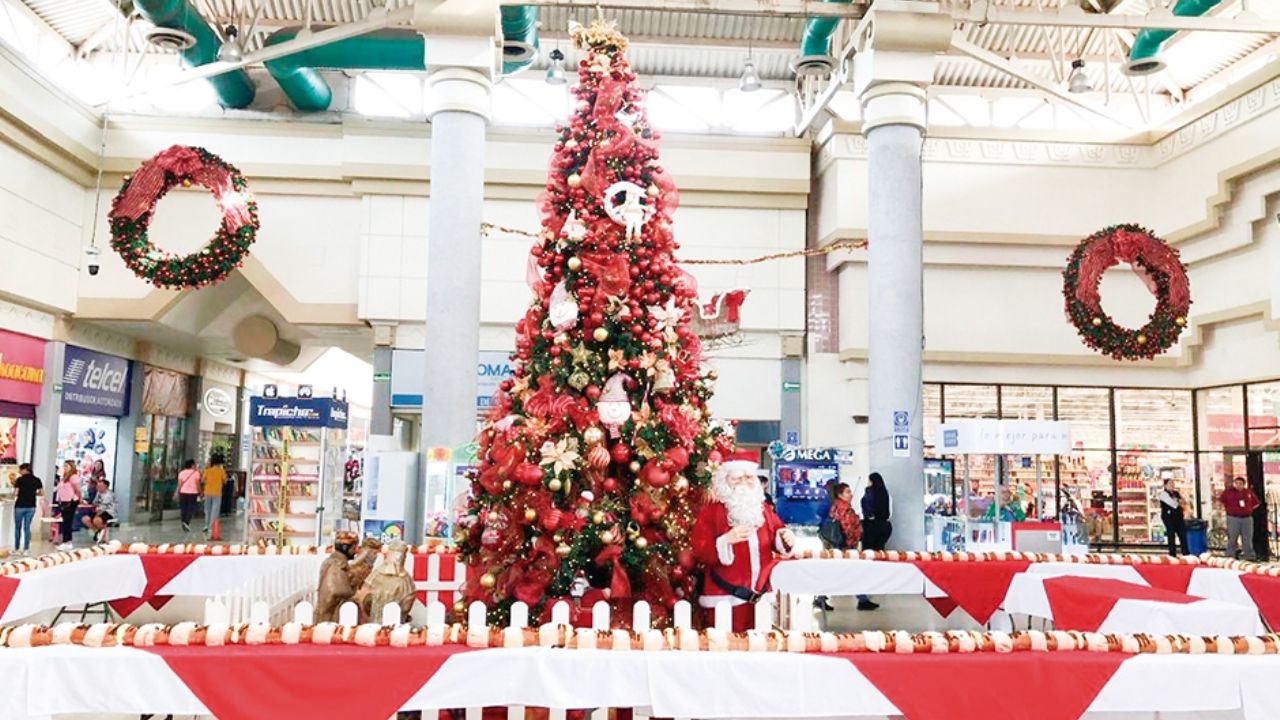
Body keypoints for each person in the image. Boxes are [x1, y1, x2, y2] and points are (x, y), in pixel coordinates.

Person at [692, 449, 795, 632]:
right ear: (725, 482)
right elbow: (700, 549)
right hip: (724, 597)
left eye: (748, 478)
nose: (743, 483)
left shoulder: (763, 509)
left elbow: (778, 533)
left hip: (761, 597)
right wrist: (724, 541)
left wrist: (785, 537)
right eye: (736, 478)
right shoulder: (711, 512)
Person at [815, 482, 876, 612]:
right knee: (852, 572)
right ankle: (861, 599)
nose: (851, 494)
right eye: (847, 492)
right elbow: (848, 528)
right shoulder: (845, 508)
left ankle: (861, 599)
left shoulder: (835, 506)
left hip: (837, 545)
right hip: (845, 546)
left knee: (840, 572)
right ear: (840, 494)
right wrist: (853, 543)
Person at [316, 531, 362, 622]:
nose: (355, 551)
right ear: (346, 548)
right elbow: (336, 590)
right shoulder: (337, 565)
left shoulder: (333, 562)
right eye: (354, 547)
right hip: (332, 615)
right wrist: (355, 595)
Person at [1219, 476, 1260, 560]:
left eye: (1240, 484)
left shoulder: (1248, 492)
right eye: (1236, 483)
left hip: (1247, 519)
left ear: (1244, 485)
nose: (1238, 485)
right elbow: (1221, 501)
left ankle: (1249, 556)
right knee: (1233, 537)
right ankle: (1230, 556)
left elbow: (1256, 503)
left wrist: (1248, 509)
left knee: (1247, 538)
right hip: (1233, 518)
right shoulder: (1228, 492)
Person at [10, 463, 42, 554]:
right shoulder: (37, 480)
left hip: (20, 506)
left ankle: (16, 548)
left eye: (20, 470)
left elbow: (16, 493)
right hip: (31, 506)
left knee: (17, 527)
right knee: (27, 527)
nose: (19, 472)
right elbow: (41, 493)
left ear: (25, 470)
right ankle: (26, 549)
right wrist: (32, 494)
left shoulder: (19, 480)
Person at [861, 472, 892, 552]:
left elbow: (866, 509)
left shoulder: (869, 492)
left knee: (868, 552)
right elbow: (889, 512)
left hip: (870, 527)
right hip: (884, 526)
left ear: (871, 482)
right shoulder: (885, 493)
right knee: (879, 551)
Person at [1158, 477, 1189, 557]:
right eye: (1170, 483)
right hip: (1169, 518)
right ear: (1165, 485)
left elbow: (1184, 502)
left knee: (1182, 534)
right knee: (1171, 535)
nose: (1172, 485)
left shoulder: (1176, 493)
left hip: (1178, 517)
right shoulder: (1163, 494)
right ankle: (1172, 554)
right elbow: (1173, 504)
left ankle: (1186, 553)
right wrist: (1178, 501)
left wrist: (1178, 501)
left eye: (1173, 483)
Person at [54, 461, 81, 550]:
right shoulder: (64, 478)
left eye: (66, 466)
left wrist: (79, 499)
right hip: (63, 501)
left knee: (68, 522)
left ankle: (68, 541)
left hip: (71, 501)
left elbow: (77, 489)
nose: (64, 468)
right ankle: (66, 541)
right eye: (64, 466)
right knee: (65, 521)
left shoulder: (73, 477)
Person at [81, 478, 117, 543]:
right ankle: (97, 532)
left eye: (100, 486)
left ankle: (103, 534)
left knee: (96, 520)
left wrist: (96, 513)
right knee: (85, 519)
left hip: (108, 512)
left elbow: (102, 508)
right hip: (98, 510)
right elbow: (94, 502)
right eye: (97, 486)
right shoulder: (98, 493)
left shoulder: (109, 495)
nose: (98, 488)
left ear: (105, 487)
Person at [202, 453, 227, 537]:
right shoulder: (221, 471)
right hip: (217, 492)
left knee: (207, 509)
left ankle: (206, 525)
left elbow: (203, 480)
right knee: (214, 511)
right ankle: (211, 527)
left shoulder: (207, 470)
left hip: (207, 492)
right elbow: (225, 481)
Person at [175, 459, 201, 532]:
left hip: (183, 493)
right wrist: (200, 492)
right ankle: (186, 522)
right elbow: (197, 484)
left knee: (183, 508)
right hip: (193, 493)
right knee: (191, 508)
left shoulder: (181, 473)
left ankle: (183, 521)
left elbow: (179, 484)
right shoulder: (196, 473)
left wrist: (177, 492)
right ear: (192, 465)